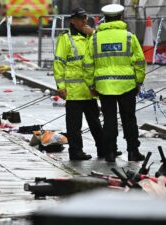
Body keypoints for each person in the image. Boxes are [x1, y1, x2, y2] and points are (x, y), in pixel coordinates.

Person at [84, 4, 146, 162]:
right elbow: (139, 62)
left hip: (104, 86)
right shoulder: (129, 37)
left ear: (105, 18)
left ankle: (110, 153)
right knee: (129, 119)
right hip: (127, 85)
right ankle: (133, 152)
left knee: (109, 120)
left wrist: (91, 85)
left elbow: (88, 64)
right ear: (120, 17)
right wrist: (138, 82)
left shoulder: (95, 38)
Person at [54, 8, 104, 160]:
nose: (83, 21)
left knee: (95, 123)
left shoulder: (93, 36)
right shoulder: (66, 38)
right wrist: (60, 86)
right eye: (80, 18)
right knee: (74, 125)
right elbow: (59, 62)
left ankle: (104, 150)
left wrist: (93, 34)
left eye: (85, 18)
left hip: (90, 91)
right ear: (72, 21)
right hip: (74, 91)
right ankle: (76, 152)